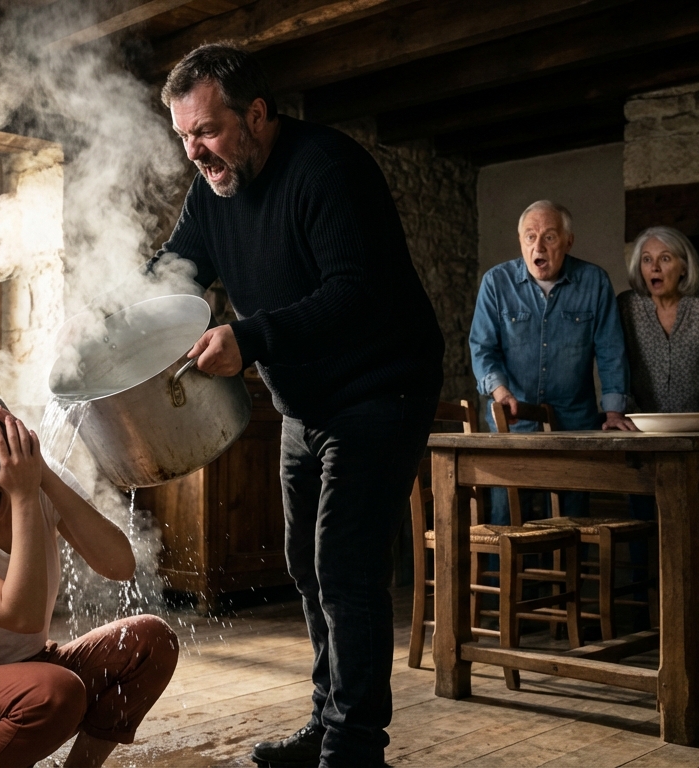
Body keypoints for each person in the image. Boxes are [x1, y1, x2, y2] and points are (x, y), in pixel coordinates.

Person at [155, 44, 445, 768]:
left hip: (381, 387)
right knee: (306, 565)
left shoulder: (328, 169)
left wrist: (250, 338)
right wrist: (113, 317)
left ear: (256, 114)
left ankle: (353, 749)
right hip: (304, 402)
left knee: (345, 565)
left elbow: (354, 295)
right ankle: (326, 720)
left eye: (207, 131)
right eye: (184, 136)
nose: (194, 152)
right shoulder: (211, 192)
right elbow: (173, 272)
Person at [0, 383, 178, 768]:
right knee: (55, 691)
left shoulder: (35, 478)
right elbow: (22, 616)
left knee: (151, 639)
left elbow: (119, 566)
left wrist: (42, 473)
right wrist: (25, 496)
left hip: (32, 670)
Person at [469, 200, 634, 522]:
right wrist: (500, 392)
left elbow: (611, 349)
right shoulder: (496, 282)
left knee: (571, 524)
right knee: (507, 522)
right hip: (514, 422)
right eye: (530, 237)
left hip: (574, 424)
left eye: (549, 237)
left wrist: (614, 411)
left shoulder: (594, 281)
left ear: (568, 241)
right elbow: (482, 348)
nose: (538, 246)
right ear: (520, 241)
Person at [618, 225, 699, 429]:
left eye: (665, 258)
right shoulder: (627, 305)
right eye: (647, 259)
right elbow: (616, 367)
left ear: (684, 267)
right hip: (642, 426)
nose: (654, 267)